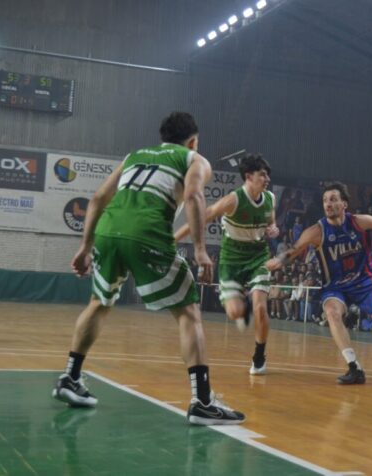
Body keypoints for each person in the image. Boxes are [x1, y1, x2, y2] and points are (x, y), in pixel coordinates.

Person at [51, 112, 244, 425]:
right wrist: (199, 250)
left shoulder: (134, 156)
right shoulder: (194, 159)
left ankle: (70, 378)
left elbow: (98, 198)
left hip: (108, 232)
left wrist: (85, 247)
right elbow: (194, 195)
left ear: (162, 137)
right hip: (147, 232)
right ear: (193, 141)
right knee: (188, 311)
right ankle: (202, 401)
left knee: (99, 303)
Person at [266, 181, 372, 384]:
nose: (328, 204)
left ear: (344, 204)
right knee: (332, 313)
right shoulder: (316, 231)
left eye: (333, 199)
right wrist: (275, 262)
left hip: (366, 282)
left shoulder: (359, 222)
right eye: (325, 200)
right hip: (336, 287)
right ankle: (354, 367)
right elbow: (292, 252)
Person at [175, 155, 279, 376]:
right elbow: (202, 217)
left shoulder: (270, 198)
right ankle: (244, 307)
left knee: (261, 308)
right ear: (248, 176)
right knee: (234, 312)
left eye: (268, 175)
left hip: (258, 256)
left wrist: (273, 229)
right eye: (262, 174)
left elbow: (272, 222)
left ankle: (259, 356)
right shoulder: (233, 200)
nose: (267, 179)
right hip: (231, 258)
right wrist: (173, 239)